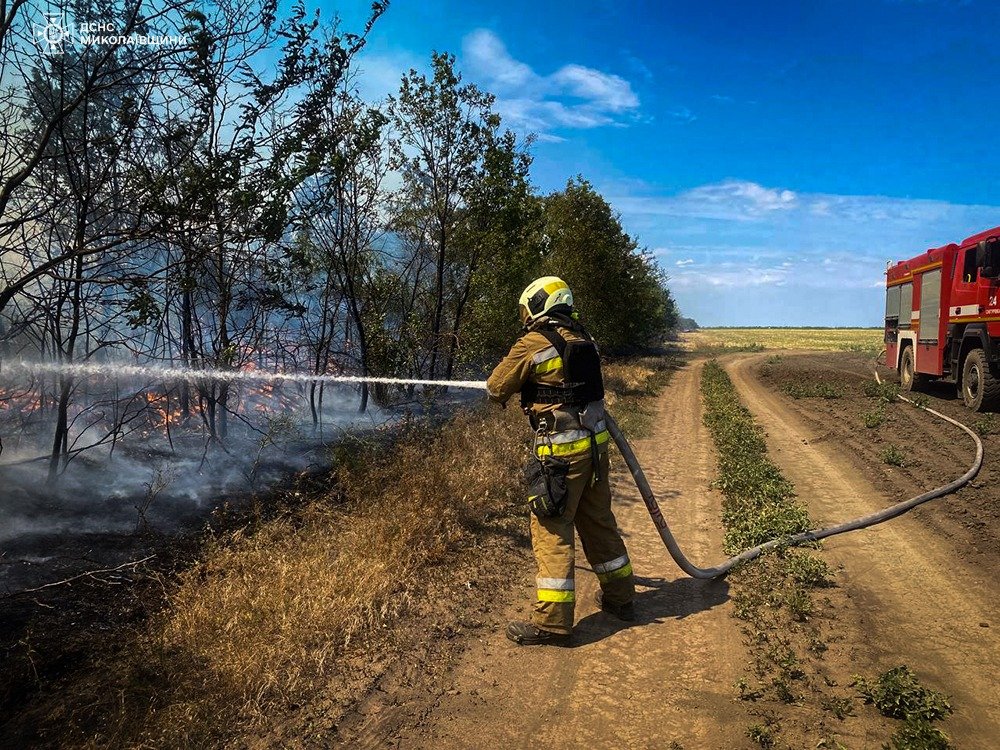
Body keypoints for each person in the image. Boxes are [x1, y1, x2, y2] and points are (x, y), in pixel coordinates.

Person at [486, 276, 636, 646]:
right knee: (599, 523)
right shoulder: (585, 340)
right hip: (596, 450)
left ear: (539, 303)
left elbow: (494, 388)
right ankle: (621, 599)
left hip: (560, 456)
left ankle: (552, 622)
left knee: (552, 531)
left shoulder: (533, 343)